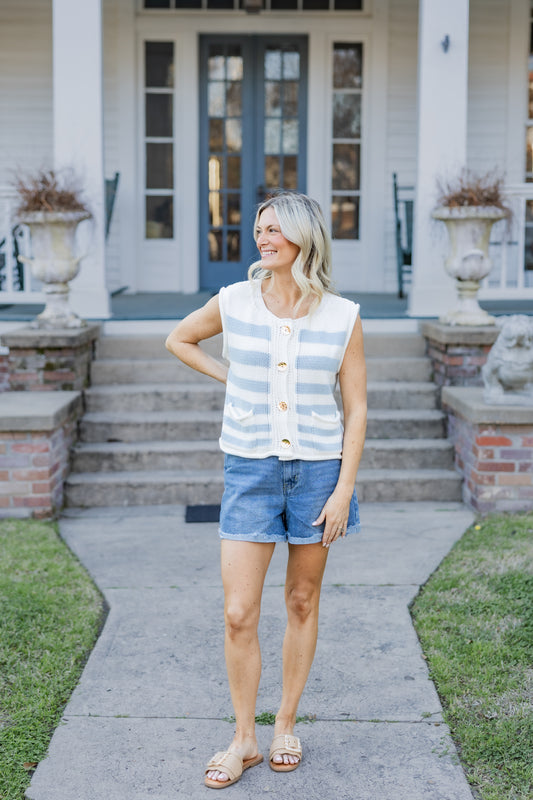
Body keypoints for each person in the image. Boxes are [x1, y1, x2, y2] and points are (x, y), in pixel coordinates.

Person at [165, 191, 367, 789]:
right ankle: (243, 738)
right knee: (237, 612)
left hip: (318, 475)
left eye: (275, 228)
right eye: (259, 228)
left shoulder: (343, 316)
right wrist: (232, 377)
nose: (263, 237)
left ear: (304, 236)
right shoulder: (234, 302)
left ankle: (283, 724)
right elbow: (178, 339)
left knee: (302, 602)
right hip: (249, 470)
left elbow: (355, 410)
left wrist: (343, 490)